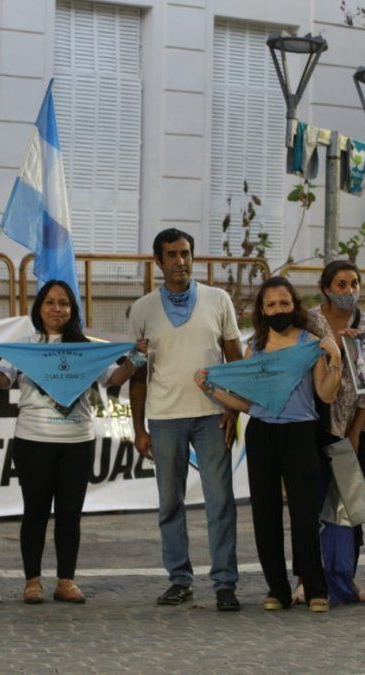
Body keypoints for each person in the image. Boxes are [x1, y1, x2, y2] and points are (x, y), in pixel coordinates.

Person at [0, 281, 144, 604]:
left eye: (63, 303)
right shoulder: (25, 346)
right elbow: (0, 381)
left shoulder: (86, 347)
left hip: (77, 442)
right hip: (32, 441)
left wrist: (137, 359)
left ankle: (66, 580)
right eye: (50, 302)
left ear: (72, 309)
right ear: (39, 308)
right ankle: (32, 581)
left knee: (70, 513)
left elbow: (113, 379)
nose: (56, 309)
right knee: (34, 512)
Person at [195, 276, 341, 612]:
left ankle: (316, 588)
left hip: (301, 433)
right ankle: (277, 589)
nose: (279, 309)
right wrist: (210, 389)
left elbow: (326, 394)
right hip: (261, 433)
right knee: (265, 512)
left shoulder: (310, 343)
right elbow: (248, 403)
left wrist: (334, 358)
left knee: (305, 513)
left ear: (295, 306)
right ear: (262, 309)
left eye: (284, 303)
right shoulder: (254, 349)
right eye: (272, 304)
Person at [128, 228, 243, 612]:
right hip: (164, 418)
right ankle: (179, 579)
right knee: (169, 504)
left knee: (221, 501)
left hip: (212, 416)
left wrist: (233, 407)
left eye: (186, 253)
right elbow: (136, 373)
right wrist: (138, 428)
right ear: (158, 262)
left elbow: (235, 360)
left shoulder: (218, 299)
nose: (181, 261)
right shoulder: (142, 309)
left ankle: (225, 582)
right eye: (172, 255)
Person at [306, 260, 365, 603]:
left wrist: (355, 431)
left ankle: (348, 576)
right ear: (326, 288)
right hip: (313, 423)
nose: (348, 291)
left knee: (351, 503)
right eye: (341, 284)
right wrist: (333, 342)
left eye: (354, 284)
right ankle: (309, 576)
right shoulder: (311, 320)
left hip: (354, 426)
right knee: (313, 502)